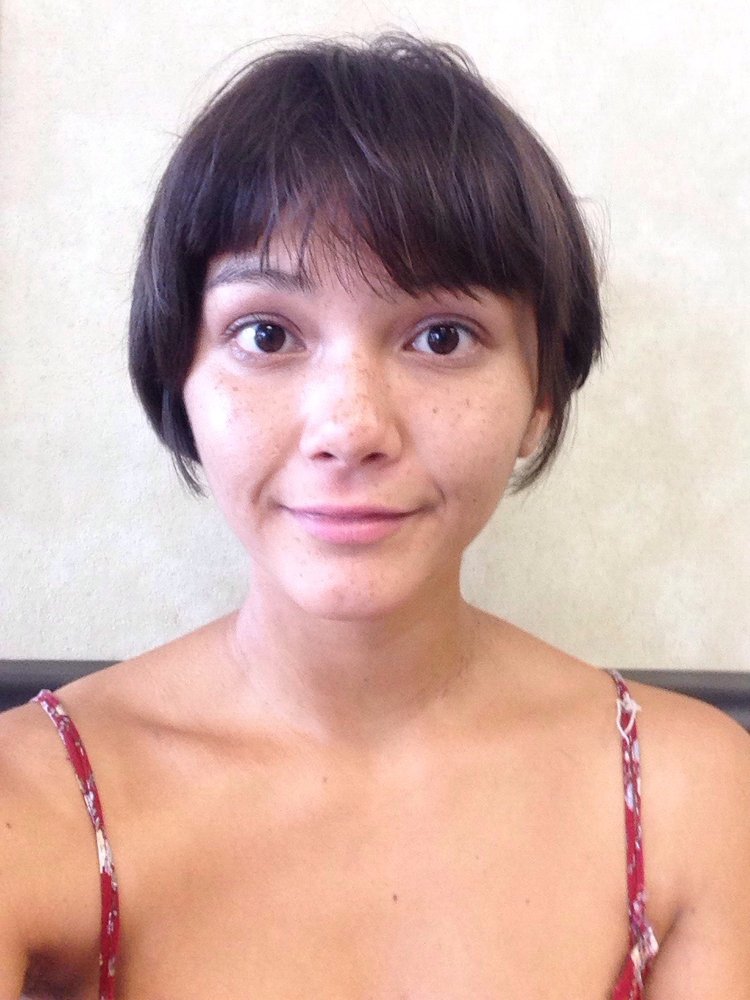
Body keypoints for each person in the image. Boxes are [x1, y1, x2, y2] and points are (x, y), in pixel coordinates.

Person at [2, 33, 749, 1000]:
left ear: (541, 395)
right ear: (178, 374)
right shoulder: (33, 801)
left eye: (441, 337)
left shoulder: (695, 795)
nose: (351, 428)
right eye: (266, 333)